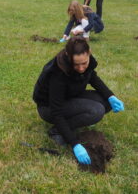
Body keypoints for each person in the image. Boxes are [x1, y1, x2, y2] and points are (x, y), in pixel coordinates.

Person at [33, 37, 124, 165]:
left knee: (106, 102)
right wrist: (74, 143)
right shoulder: (58, 73)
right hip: (48, 108)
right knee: (96, 111)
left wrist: (111, 96)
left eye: (84, 63)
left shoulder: (87, 62)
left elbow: (92, 77)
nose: (81, 68)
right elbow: (56, 112)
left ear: (89, 53)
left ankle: (69, 123)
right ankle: (57, 131)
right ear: (68, 56)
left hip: (69, 97)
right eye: (76, 64)